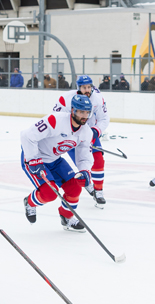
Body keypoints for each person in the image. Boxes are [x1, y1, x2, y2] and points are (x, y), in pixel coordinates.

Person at [21, 94, 93, 232]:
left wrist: (85, 171)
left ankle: (66, 217)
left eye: (87, 113)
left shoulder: (86, 132)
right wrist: (34, 159)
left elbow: (84, 156)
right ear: (72, 110)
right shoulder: (55, 120)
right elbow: (27, 136)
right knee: (50, 193)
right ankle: (30, 203)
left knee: (75, 188)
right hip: (35, 158)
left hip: (55, 159)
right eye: (80, 112)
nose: (84, 116)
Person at [51, 75, 111, 207]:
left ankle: (99, 191)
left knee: (98, 160)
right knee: (82, 162)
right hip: (71, 135)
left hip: (88, 133)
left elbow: (104, 118)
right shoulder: (66, 98)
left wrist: (96, 130)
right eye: (84, 87)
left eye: (89, 87)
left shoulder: (98, 98)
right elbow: (56, 117)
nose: (87, 90)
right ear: (78, 88)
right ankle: (88, 184)